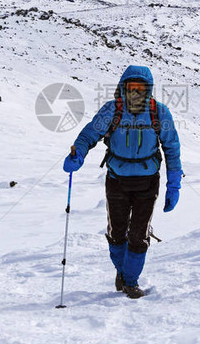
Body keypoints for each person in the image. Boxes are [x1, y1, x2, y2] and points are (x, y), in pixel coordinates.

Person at [63, 65, 183, 298]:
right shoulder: (112, 111)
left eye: (141, 88)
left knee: (139, 236)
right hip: (117, 180)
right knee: (117, 234)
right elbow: (90, 134)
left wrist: (174, 184)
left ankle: (130, 281)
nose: (136, 92)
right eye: (131, 87)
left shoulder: (159, 112)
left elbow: (172, 147)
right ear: (123, 87)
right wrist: (78, 153)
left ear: (148, 89)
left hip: (148, 182)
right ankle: (122, 271)